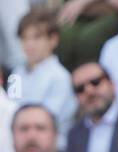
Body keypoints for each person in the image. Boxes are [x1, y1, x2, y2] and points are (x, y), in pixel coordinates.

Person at [8, 8, 73, 139]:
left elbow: (47, 120)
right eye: (24, 38)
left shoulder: (60, 77)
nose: (29, 44)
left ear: (53, 40)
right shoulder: (16, 74)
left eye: (37, 37)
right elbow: (10, 110)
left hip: (53, 149)